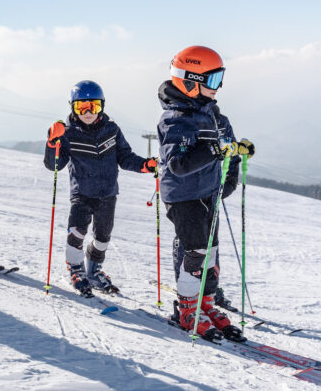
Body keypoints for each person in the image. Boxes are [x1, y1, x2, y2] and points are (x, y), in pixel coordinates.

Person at [157, 45, 255, 340]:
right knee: (196, 251)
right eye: (213, 80)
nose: (218, 87)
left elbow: (229, 148)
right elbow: (178, 164)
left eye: (220, 78)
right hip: (183, 195)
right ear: (190, 81)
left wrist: (233, 169)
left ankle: (206, 303)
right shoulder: (175, 119)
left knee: (211, 251)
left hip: (207, 192)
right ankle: (187, 308)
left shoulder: (215, 116)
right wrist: (213, 150)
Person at [45, 81, 156, 296]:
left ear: (102, 106)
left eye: (93, 106)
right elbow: (54, 165)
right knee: (76, 232)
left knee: (103, 238)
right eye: (82, 107)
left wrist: (146, 165)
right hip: (82, 193)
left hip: (108, 193)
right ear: (73, 108)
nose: (88, 112)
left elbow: (125, 157)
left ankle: (94, 270)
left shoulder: (111, 130)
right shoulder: (68, 133)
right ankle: (76, 269)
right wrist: (52, 142)